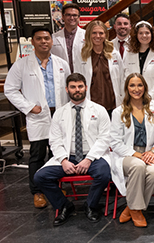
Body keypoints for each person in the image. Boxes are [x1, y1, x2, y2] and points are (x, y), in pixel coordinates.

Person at [33, 73, 112, 226]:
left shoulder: (99, 110)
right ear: (67, 89)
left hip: (93, 156)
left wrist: (89, 159)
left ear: (86, 87)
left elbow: (105, 138)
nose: (77, 90)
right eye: (73, 87)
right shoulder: (59, 113)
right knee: (40, 177)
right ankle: (64, 206)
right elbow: (54, 140)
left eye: (80, 86)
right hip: (69, 156)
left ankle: (91, 205)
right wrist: (63, 161)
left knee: (104, 174)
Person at [5, 28, 70, 209]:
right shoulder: (22, 65)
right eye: (39, 39)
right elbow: (9, 89)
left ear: (51, 41)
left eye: (47, 38)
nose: (43, 42)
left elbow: (69, 87)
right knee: (37, 156)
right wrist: (28, 107)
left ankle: (55, 188)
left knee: (57, 154)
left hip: (59, 114)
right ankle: (38, 192)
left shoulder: (61, 63)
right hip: (38, 115)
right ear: (32, 42)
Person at [110, 73, 154, 228]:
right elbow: (114, 141)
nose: (136, 89)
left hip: (150, 152)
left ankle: (132, 208)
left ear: (145, 87)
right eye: (132, 85)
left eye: (139, 85)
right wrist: (138, 155)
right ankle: (136, 211)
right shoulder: (118, 111)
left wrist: (153, 151)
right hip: (127, 153)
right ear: (127, 88)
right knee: (138, 165)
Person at [75, 20, 124, 116]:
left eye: (101, 33)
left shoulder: (113, 53)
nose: (97, 36)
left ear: (105, 35)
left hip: (112, 104)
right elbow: (77, 80)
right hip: (92, 104)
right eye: (94, 33)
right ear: (88, 34)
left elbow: (122, 77)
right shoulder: (82, 55)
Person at [123, 21, 154, 107]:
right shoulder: (129, 53)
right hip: (134, 98)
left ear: (152, 35)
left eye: (147, 33)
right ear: (136, 35)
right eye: (140, 33)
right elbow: (126, 76)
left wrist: (150, 96)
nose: (144, 36)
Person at [51, 3, 85, 73]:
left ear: (79, 17)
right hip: (61, 75)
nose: (72, 18)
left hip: (82, 74)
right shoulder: (54, 37)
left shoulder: (87, 35)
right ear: (63, 17)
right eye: (68, 15)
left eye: (75, 15)